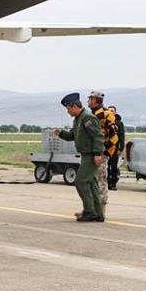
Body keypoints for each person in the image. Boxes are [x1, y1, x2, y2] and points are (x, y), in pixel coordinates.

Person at [54, 93, 105, 222]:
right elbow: (73, 135)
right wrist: (61, 134)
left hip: (91, 155)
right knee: (91, 183)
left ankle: (89, 211)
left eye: (68, 108)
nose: (67, 111)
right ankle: (98, 213)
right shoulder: (78, 119)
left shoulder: (87, 118)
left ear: (75, 106)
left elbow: (98, 136)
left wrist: (98, 154)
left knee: (80, 182)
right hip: (86, 155)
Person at [86, 91, 118, 218]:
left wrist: (104, 152)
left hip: (100, 154)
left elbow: (113, 136)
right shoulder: (89, 115)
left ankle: (101, 211)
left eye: (90, 99)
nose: (88, 101)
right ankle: (91, 209)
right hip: (90, 153)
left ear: (96, 100)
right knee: (90, 182)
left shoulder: (106, 114)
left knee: (100, 181)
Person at [107, 105, 125, 190]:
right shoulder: (105, 121)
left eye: (112, 110)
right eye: (109, 110)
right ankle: (106, 183)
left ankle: (113, 184)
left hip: (115, 148)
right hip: (106, 148)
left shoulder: (119, 123)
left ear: (115, 112)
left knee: (114, 166)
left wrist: (120, 149)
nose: (111, 112)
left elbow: (122, 136)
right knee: (106, 166)